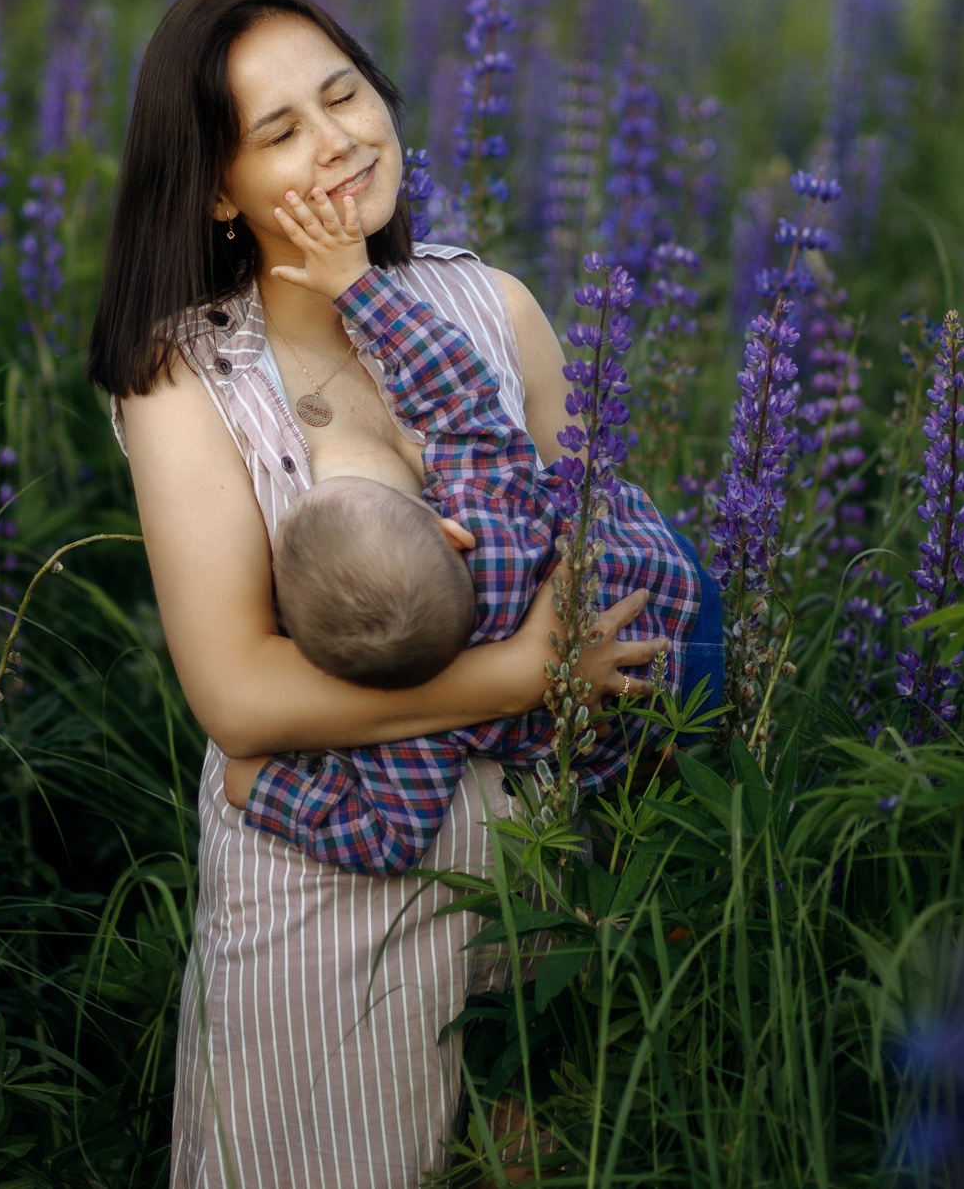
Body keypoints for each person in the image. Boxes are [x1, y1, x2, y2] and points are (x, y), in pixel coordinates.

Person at [88, 0, 669, 1189]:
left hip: (539, 863)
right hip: (327, 894)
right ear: (214, 188)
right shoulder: (185, 373)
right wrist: (517, 670)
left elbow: (589, 539)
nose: (337, 138)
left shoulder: (491, 302)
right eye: (279, 130)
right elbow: (238, 698)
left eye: (344, 93)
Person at [238, 180, 701, 876]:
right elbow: (458, 389)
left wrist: (265, 790)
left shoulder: (408, 730)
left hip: (630, 732)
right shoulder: (484, 506)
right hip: (676, 596)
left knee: (658, 824)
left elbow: (386, 840)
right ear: (443, 527)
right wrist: (357, 287)